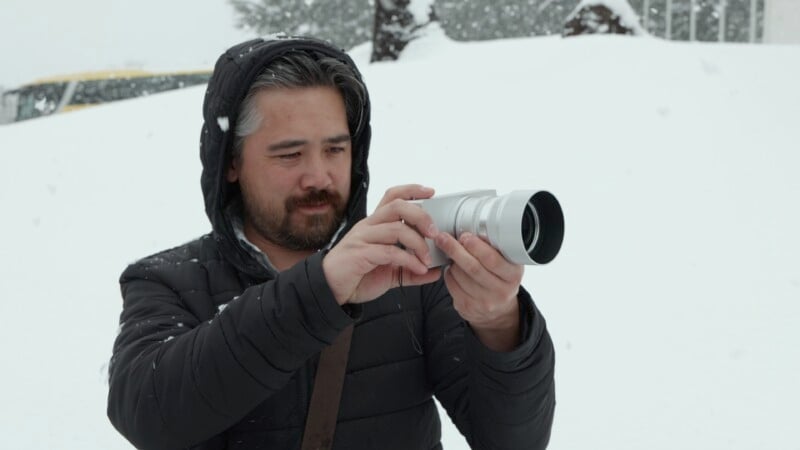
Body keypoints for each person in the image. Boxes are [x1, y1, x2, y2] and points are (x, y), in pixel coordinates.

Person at [107, 36, 555, 450]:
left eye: (336, 150)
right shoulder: (167, 280)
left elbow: (512, 442)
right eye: (290, 154)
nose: (318, 177)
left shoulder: (413, 273)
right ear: (231, 163)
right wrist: (321, 288)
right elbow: (151, 416)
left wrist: (500, 327)